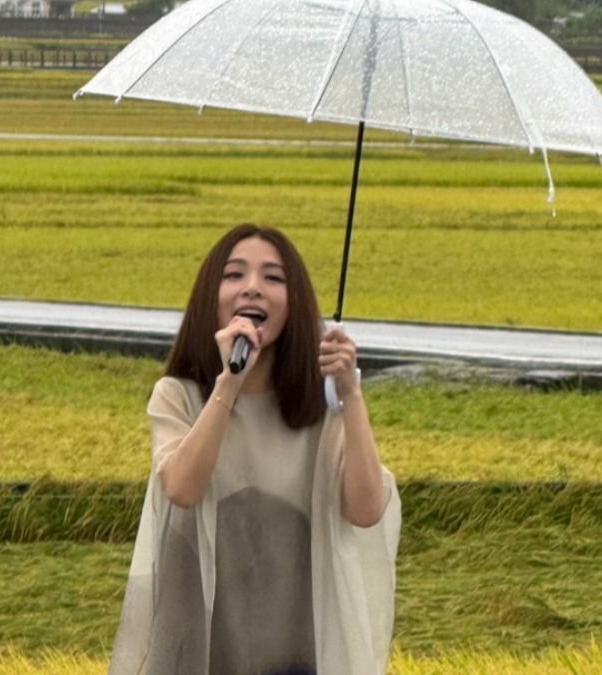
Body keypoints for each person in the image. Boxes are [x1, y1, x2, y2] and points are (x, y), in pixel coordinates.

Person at [108, 224, 401, 675]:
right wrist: (230, 382)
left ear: (295, 302)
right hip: (199, 657)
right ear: (211, 294)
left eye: (273, 278)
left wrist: (350, 395)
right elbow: (182, 487)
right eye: (235, 275)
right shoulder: (179, 397)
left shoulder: (319, 409)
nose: (253, 289)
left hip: (295, 660)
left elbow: (365, 509)